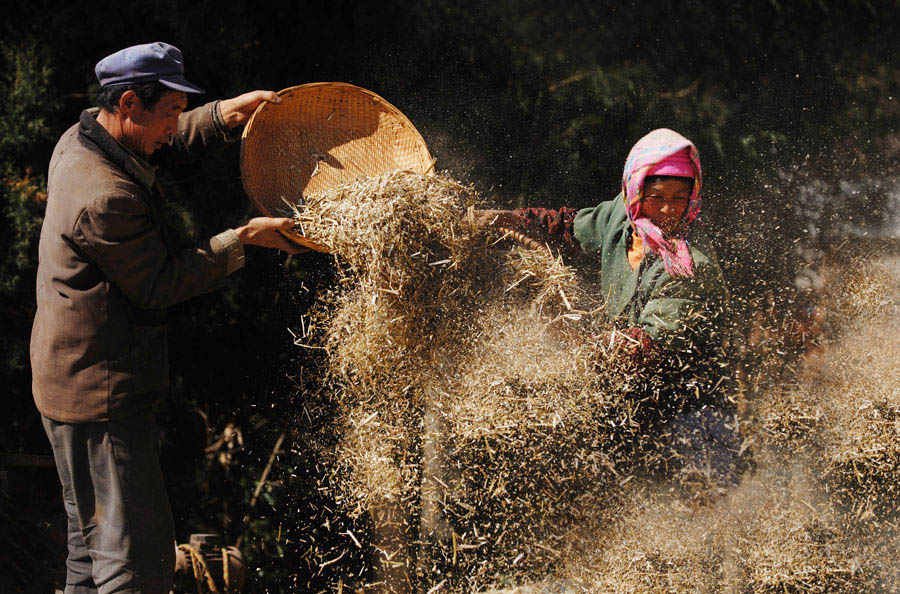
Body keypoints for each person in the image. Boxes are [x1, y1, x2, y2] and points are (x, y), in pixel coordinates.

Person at [31, 42, 304, 594]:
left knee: (90, 552)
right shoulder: (104, 196)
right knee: (134, 565)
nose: (174, 125)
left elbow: (160, 142)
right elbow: (159, 284)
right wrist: (244, 238)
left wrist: (222, 115)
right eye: (171, 112)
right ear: (130, 102)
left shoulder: (85, 136)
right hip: (100, 401)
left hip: (68, 383)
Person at [474, 128, 739, 485]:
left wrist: (566, 347)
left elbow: (642, 351)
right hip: (631, 407)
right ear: (635, 190)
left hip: (688, 416)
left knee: (691, 511)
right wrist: (497, 222)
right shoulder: (623, 217)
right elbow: (564, 228)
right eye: (656, 196)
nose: (667, 209)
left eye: (680, 197)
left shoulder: (688, 266)